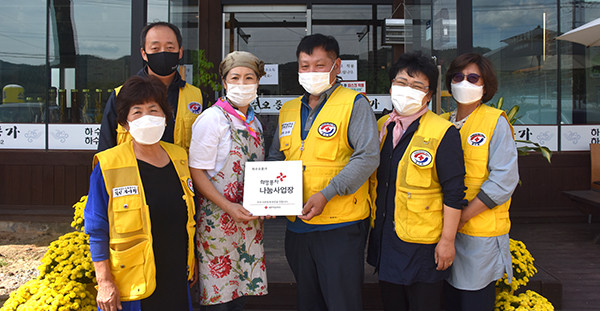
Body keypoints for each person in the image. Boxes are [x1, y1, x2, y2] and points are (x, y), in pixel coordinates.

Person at [267, 34, 380, 311]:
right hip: (297, 226)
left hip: (339, 225)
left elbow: (367, 157)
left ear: (337, 66)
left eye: (319, 65)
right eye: (304, 66)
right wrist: (269, 196)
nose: (311, 72)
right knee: (308, 301)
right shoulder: (289, 109)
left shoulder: (354, 104)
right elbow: (275, 157)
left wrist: (327, 194)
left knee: (342, 302)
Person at [84, 75, 197, 311]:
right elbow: (97, 229)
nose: (147, 118)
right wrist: (104, 282)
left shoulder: (179, 157)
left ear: (165, 116)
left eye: (153, 109)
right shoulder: (108, 165)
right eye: (137, 112)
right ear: (124, 123)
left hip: (176, 277)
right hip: (132, 285)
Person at [366, 51, 467, 311]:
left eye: (417, 85)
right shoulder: (380, 127)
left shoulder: (442, 132)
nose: (407, 90)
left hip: (425, 246)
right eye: (401, 82)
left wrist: (447, 241)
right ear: (390, 86)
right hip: (387, 240)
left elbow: (454, 192)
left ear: (429, 94)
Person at [189, 51, 268, 310]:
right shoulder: (212, 119)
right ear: (224, 82)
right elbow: (196, 171)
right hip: (218, 225)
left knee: (241, 297)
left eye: (249, 77)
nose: (242, 84)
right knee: (219, 297)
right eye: (235, 77)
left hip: (247, 222)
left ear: (258, 82)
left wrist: (269, 204)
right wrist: (227, 206)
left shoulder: (254, 121)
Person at [442, 53, 519, 311]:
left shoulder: (494, 122)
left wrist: (461, 217)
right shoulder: (441, 123)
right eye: (458, 76)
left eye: (473, 78)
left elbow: (504, 180)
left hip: (478, 234)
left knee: (473, 301)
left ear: (485, 85)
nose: (464, 82)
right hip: (441, 232)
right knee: (449, 300)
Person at [98, 21, 209, 152]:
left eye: (170, 48)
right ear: (144, 53)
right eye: (155, 48)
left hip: (180, 171)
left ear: (180, 52)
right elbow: (106, 151)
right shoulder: (121, 96)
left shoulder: (197, 97)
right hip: (133, 172)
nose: (163, 53)